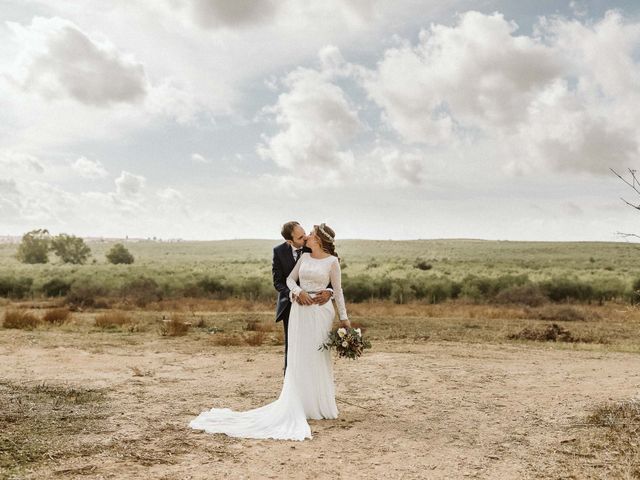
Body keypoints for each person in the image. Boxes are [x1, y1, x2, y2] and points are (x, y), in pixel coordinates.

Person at [189, 223, 350, 441]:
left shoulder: (330, 261)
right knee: (297, 354)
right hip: (298, 311)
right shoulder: (301, 256)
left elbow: (337, 289)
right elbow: (287, 280)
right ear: (291, 240)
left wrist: (343, 317)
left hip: (321, 313)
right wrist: (298, 292)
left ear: (318, 240)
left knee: (318, 355)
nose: (307, 238)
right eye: (303, 236)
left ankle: (318, 404)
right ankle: (299, 401)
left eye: (309, 235)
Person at [271, 221, 331, 372]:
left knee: (314, 343)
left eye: (304, 233)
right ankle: (290, 383)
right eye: (300, 237)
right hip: (290, 305)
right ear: (289, 241)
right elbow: (278, 282)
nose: (305, 238)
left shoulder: (312, 246)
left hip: (316, 305)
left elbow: (329, 269)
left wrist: (330, 291)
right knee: (292, 345)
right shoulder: (278, 251)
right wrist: (294, 293)